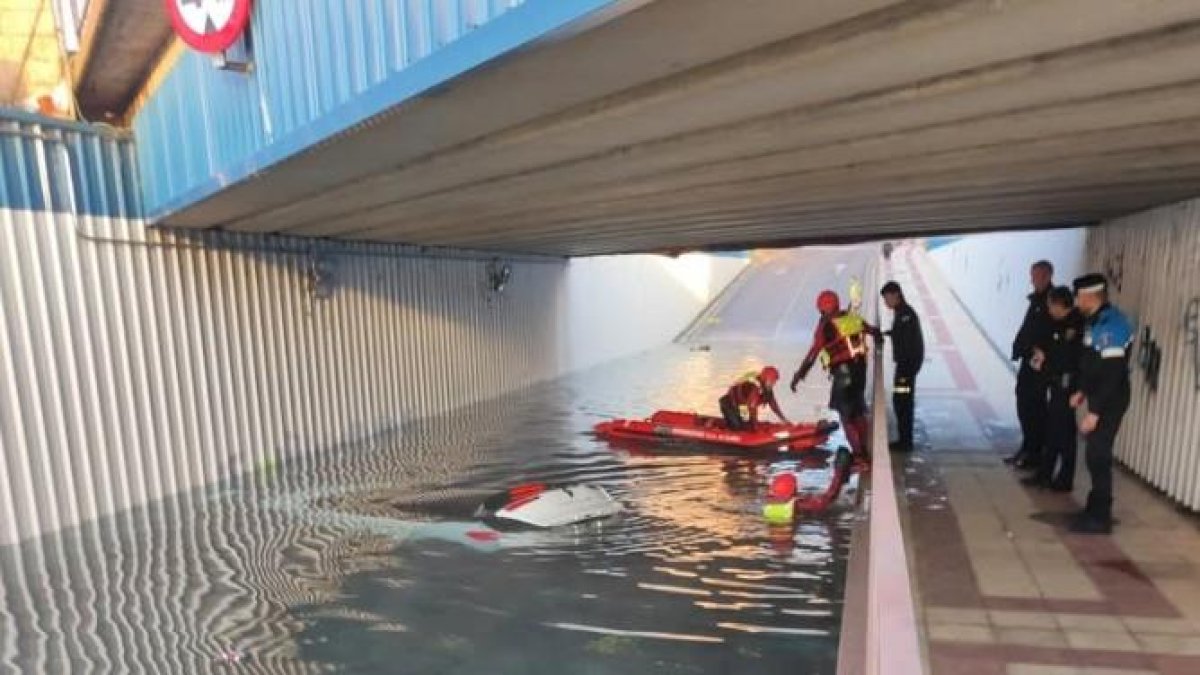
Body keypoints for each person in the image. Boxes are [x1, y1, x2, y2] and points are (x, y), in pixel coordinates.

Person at [1068, 273, 1133, 535]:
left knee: (1098, 454)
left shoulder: (1112, 325)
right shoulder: (1094, 322)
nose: (1076, 300)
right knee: (1094, 454)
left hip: (1111, 398)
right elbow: (1091, 362)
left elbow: (1112, 373)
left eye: (1078, 296)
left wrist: (1094, 412)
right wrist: (1082, 390)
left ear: (1089, 296)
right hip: (1097, 395)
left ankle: (1101, 516)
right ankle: (1094, 508)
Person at [790, 290, 880, 460]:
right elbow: (873, 331)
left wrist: (799, 375)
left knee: (846, 416)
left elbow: (812, 354)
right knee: (859, 412)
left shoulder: (826, 326)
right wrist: (880, 338)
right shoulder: (852, 318)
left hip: (843, 376)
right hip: (860, 372)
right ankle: (866, 449)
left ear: (823, 309)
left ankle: (859, 455)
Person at [1021, 286, 1083, 491]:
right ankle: (1045, 474)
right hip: (1056, 384)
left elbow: (1066, 359)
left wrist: (1046, 362)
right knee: (1052, 431)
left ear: (1058, 304)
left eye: (1050, 305)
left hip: (1067, 386)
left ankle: (1064, 479)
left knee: (1064, 434)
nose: (1048, 309)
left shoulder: (1075, 325)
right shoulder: (1058, 323)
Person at [1007, 260, 1055, 469]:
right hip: (1029, 361)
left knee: (1035, 408)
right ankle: (1028, 446)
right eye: (1032, 275)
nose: (1032, 280)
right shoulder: (1036, 300)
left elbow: (1047, 335)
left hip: (1040, 365)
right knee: (1024, 404)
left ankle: (1036, 453)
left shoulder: (1051, 300)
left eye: (1035, 276)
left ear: (1046, 276)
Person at [881, 281, 925, 452]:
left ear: (896, 295)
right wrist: (889, 333)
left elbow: (908, 342)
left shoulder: (905, 315)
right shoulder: (902, 312)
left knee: (903, 402)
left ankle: (905, 442)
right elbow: (903, 335)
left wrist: (905, 372)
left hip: (906, 368)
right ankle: (904, 439)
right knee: (901, 401)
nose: (886, 303)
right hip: (906, 366)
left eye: (887, 298)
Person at [719, 366, 790, 431]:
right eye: (772, 382)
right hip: (729, 404)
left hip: (742, 405)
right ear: (766, 379)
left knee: (745, 423)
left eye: (773, 382)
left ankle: (740, 423)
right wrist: (755, 428)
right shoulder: (753, 387)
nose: (773, 384)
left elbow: (773, 404)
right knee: (737, 427)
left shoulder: (766, 387)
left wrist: (783, 419)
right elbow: (752, 408)